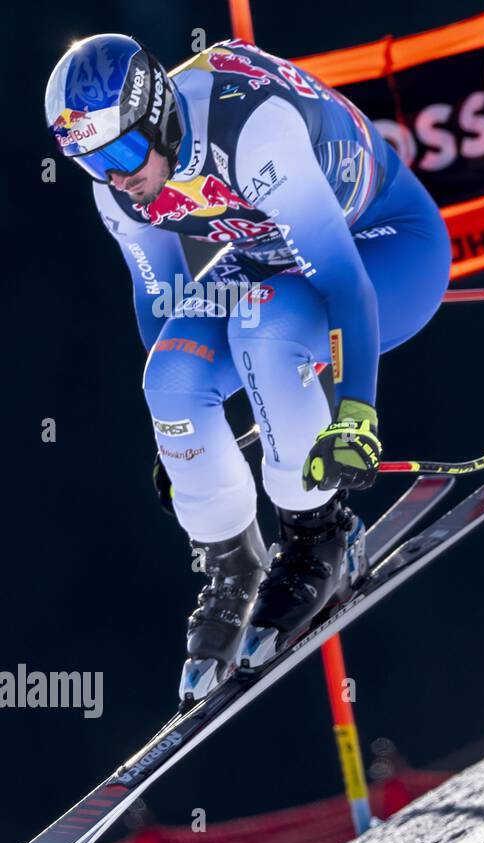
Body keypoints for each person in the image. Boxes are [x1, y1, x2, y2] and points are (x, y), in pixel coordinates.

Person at [44, 34, 452, 704]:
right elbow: (163, 306)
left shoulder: (253, 131)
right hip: (268, 258)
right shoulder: (119, 192)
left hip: (384, 247)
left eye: (120, 153)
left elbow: (344, 284)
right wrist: (189, 444)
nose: (116, 178)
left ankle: (320, 537)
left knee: (266, 329)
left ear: (158, 117)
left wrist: (356, 412)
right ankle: (234, 567)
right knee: (170, 379)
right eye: (92, 162)